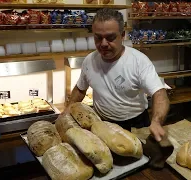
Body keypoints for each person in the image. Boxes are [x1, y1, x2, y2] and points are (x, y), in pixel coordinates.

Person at [64, 8, 170, 142]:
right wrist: (68, 109)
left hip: (135, 125)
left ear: (123, 35)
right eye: (98, 37)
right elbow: (80, 89)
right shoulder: (89, 61)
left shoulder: (138, 61)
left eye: (110, 37)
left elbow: (160, 94)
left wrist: (156, 121)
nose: (103, 44)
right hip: (101, 124)